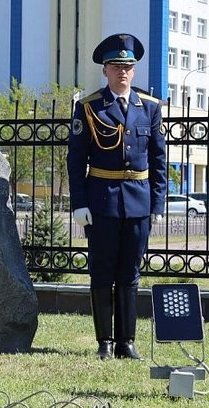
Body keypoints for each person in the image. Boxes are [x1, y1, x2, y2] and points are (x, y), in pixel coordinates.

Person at [67, 33, 167, 360]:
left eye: (127, 67)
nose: (122, 72)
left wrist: (157, 203)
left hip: (138, 203)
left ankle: (127, 341)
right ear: (105, 70)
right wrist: (79, 203)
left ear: (133, 71)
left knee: (130, 273)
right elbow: (76, 159)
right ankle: (105, 343)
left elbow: (158, 160)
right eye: (115, 66)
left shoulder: (150, 107)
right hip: (102, 201)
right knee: (102, 271)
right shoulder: (89, 107)